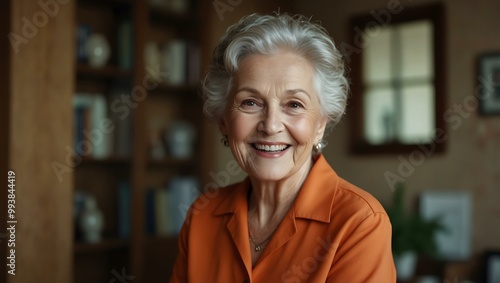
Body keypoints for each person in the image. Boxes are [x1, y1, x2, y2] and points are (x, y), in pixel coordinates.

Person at [170, 13, 396, 283]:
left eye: (294, 105)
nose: (270, 125)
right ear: (223, 121)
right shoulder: (202, 216)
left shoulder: (359, 222)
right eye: (250, 102)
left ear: (320, 125)